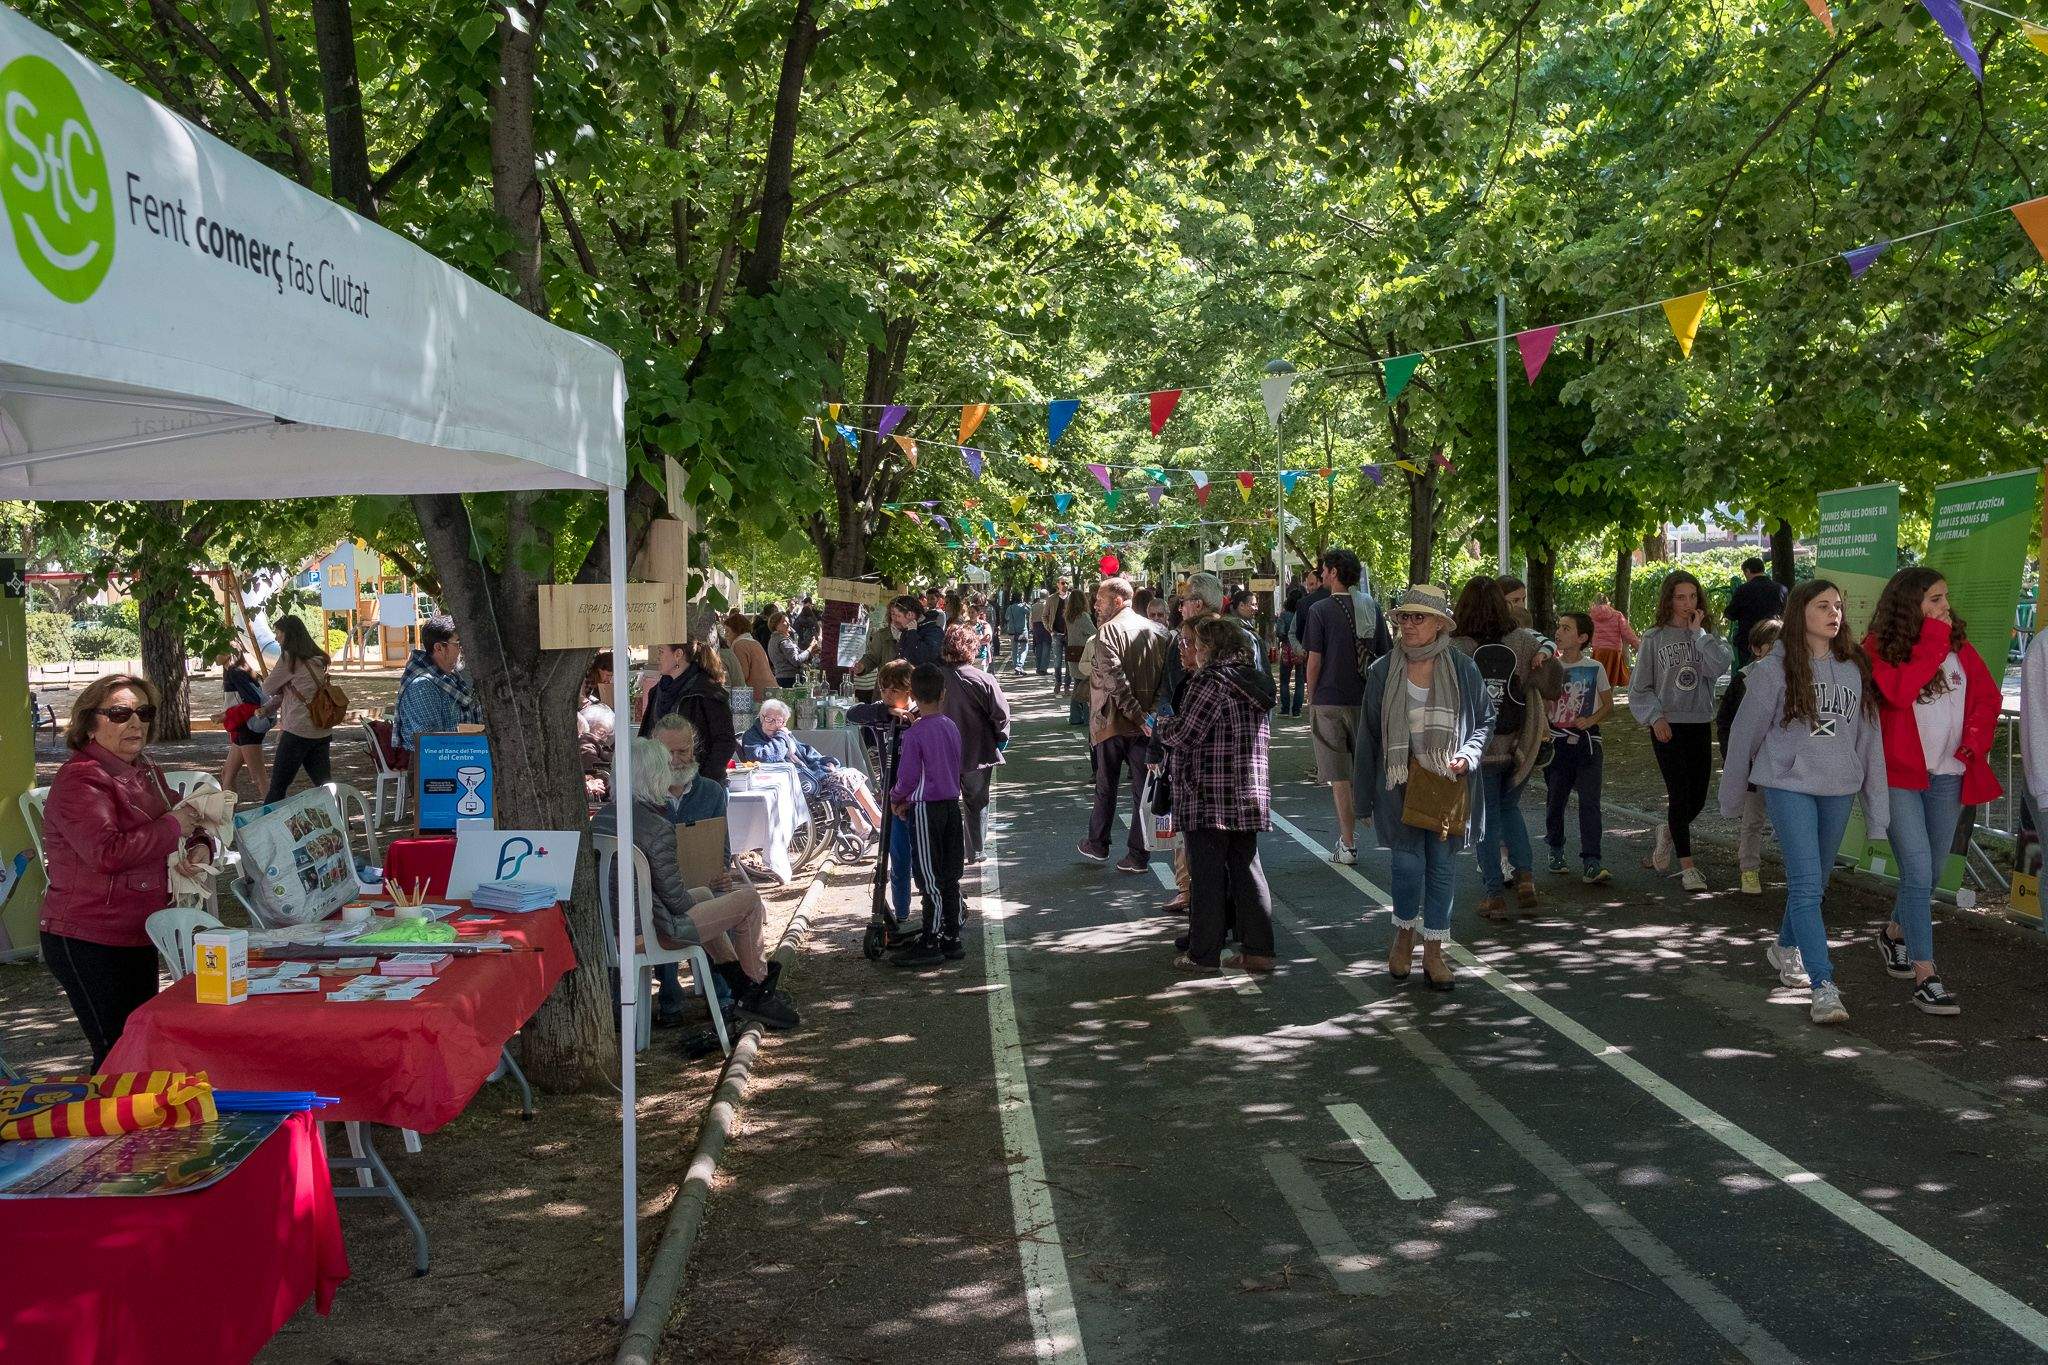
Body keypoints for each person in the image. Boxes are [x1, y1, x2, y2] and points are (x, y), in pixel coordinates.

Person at [1720, 579, 1887, 1026]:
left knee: (1815, 884)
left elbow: (1869, 741)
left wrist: (1877, 810)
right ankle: (1824, 984)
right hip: (1787, 784)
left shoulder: (1853, 667)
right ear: (1800, 613)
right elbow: (1744, 734)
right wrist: (1732, 795)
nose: (1834, 613)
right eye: (1823, 606)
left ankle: (1783, 947)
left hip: (1838, 787)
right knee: (1809, 884)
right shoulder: (1772, 670)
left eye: (1838, 605)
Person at [40, 674, 215, 1067]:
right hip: (89, 935)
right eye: (119, 713)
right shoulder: (80, 778)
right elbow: (106, 853)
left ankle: (132, 1125)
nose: (134, 722)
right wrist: (174, 827)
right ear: (89, 722)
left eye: (143, 712)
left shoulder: (145, 767)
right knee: (117, 1054)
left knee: (138, 1049)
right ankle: (104, 1128)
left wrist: (200, 844)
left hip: (138, 929)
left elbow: (188, 815)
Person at [1863, 567, 2001, 1016]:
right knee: (1919, 871)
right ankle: (1927, 975)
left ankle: (1893, 935)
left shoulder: (1957, 646)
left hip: (1947, 774)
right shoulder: (1879, 648)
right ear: (1910, 605)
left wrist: (1973, 743)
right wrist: (1933, 643)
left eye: (1945, 597)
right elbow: (1899, 693)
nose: (1945, 607)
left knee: (1930, 871)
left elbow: (1987, 698)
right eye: (1935, 599)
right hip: (1899, 777)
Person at [592, 738, 799, 1031]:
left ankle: (741, 988)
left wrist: (708, 903)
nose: (671, 770)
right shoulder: (655, 827)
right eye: (665, 766)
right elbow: (676, 903)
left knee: (704, 894)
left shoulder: (602, 818)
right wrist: (714, 908)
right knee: (749, 900)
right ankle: (757, 992)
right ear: (654, 776)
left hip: (610, 931)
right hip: (648, 933)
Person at [1356, 586, 1494, 991]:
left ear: (1439, 624)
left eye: (1419, 617)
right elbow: (1368, 735)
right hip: (1399, 781)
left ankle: (1434, 952)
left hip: (1447, 782)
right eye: (1404, 617)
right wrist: (1362, 796)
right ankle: (1403, 937)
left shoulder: (1462, 668)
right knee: (1406, 865)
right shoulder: (1383, 669)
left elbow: (1484, 720)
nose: (1410, 625)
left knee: (1442, 868)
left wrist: (1468, 754)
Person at [1160, 615, 1278, 974]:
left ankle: (1203, 953)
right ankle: (1259, 950)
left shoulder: (1209, 682)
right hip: (1248, 790)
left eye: (1192, 643)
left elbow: (1186, 734)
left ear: (1209, 647)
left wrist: (1161, 726)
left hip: (1209, 791)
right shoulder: (1252, 682)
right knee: (1247, 870)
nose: (1187, 649)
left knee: (1208, 876)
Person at [1451, 576, 1564, 917]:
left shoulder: (1456, 648)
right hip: (1518, 744)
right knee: (1510, 810)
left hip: (1477, 747)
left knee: (1484, 821)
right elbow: (1553, 684)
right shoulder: (1522, 641)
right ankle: (1526, 879)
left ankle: (1493, 895)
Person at [1630, 571, 1731, 890]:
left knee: (1698, 798)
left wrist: (1699, 634)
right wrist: (1655, 717)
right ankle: (1687, 866)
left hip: (1699, 721)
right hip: (1667, 725)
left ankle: (1669, 831)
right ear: (1668, 600)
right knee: (1679, 793)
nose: (1688, 603)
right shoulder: (1654, 637)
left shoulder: (1708, 635)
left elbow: (1720, 667)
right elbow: (1639, 687)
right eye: (1680, 597)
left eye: (1692, 597)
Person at [1304, 549, 1392, 866]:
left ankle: (1348, 843)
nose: (1322, 574)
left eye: (1324, 570)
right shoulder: (1372, 607)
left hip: (1329, 699)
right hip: (1366, 698)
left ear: (1335, 572)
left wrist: (1311, 696)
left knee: (1338, 775)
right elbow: (1386, 657)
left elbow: (1315, 659)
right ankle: (1389, 831)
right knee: (1368, 765)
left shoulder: (1320, 611)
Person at [1080, 577, 1171, 873]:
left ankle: (1098, 844)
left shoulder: (1107, 632)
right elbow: (1165, 683)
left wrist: (1138, 715)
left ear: (1118, 601)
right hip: (1144, 726)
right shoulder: (1160, 632)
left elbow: (1114, 682)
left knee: (1106, 786)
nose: (1096, 605)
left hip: (1112, 723)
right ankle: (1138, 855)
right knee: (1140, 792)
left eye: (1100, 600)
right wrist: (1150, 715)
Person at [1150, 574, 1226, 913]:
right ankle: (1198, 893)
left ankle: (1194, 896)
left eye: (1183, 601)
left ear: (1198, 603)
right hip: (1231, 754)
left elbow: (1171, 697)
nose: (1178, 607)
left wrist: (1159, 743)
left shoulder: (1190, 639)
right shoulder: (1242, 636)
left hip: (1195, 749)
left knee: (1191, 829)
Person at [890, 665, 968, 968]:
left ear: (913, 695)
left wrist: (897, 798)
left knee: (928, 876)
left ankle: (930, 938)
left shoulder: (915, 733)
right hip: (951, 804)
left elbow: (908, 777)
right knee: (950, 874)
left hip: (925, 808)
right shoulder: (950, 726)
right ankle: (952, 935)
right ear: (943, 694)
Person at [850, 660, 923, 941]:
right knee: (898, 860)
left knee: (923, 860)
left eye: (895, 690)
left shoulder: (921, 716)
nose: (888, 694)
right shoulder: (881, 714)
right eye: (884, 688)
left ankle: (932, 910)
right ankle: (902, 914)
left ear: (911, 691)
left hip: (918, 799)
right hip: (892, 799)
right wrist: (886, 710)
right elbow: (853, 713)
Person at [739, 697, 883, 838]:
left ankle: (862, 823)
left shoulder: (781, 734)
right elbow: (766, 757)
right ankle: (871, 821)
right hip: (793, 779)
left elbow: (806, 752)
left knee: (850, 774)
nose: (773, 724)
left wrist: (826, 761)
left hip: (809, 773)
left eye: (779, 720)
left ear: (784, 722)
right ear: (761, 716)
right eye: (769, 719)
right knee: (845, 778)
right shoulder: (754, 736)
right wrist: (782, 738)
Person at [1544, 612, 1613, 884]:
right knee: (1555, 800)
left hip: (1587, 743)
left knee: (1589, 801)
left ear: (1582, 637)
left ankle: (1592, 861)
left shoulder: (1595, 667)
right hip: (1557, 742)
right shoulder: (1551, 667)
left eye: (1566, 628)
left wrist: (1591, 720)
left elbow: (1608, 704)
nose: (1559, 632)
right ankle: (1556, 849)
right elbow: (1542, 701)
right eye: (1558, 626)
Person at [1717, 620, 1783, 895]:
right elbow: (1727, 724)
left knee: (1787, 822)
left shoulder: (1795, 678)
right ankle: (1749, 868)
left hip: (1783, 767)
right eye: (1774, 646)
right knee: (1753, 819)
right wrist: (1734, 761)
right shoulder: (1743, 680)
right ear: (1757, 649)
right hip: (1754, 767)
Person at [937, 625, 1010, 864]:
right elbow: (1001, 716)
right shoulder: (984, 679)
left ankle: (946, 851)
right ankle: (975, 850)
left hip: (940, 751)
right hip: (977, 751)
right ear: (972, 649)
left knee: (943, 803)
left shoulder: (934, 678)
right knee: (976, 802)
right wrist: (1000, 740)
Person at [263, 615, 338, 804]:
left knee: (278, 787)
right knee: (324, 784)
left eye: (279, 632)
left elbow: (267, 688)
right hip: (320, 730)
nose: (277, 637)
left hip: (297, 730)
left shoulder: (290, 659)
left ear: (289, 635)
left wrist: (281, 684)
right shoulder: (318, 659)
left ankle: (264, 828)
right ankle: (342, 822)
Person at [639, 641, 738, 784]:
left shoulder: (707, 691)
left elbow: (725, 741)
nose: (657, 658)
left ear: (678, 654)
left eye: (661, 652)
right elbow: (646, 735)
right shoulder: (657, 692)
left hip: (699, 785)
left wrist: (704, 781)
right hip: (662, 786)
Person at [394, 614, 481, 756]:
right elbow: (432, 744)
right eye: (458, 643)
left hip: (454, 760)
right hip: (434, 769)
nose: (462, 649)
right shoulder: (422, 686)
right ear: (439, 648)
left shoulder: (448, 677)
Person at [218, 649, 271, 800]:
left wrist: (225, 715)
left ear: (228, 652)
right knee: (227, 774)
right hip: (242, 728)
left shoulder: (236, 672)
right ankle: (229, 818)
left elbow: (253, 703)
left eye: (217, 649)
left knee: (258, 777)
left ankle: (274, 813)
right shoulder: (235, 671)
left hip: (249, 728)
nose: (214, 654)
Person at [1727, 557, 1789, 669]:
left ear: (1747, 571)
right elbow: (1785, 613)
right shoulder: (1781, 589)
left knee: (1748, 674)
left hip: (1748, 640)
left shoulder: (1743, 589)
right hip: (1774, 638)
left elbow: (1731, 613)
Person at [579, 652, 617, 804]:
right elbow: (581, 700)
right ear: (599, 669)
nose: (608, 679)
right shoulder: (586, 679)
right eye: (607, 674)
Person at [1588, 591, 1639, 688]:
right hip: (1614, 652)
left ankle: (1599, 702)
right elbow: (1627, 633)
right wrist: (1640, 647)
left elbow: (1587, 633)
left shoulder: (1591, 617)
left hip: (1598, 651)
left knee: (1597, 684)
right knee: (1610, 684)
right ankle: (1608, 702)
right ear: (1608, 603)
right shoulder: (1617, 615)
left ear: (1595, 603)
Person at [722, 612, 777, 696]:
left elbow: (742, 675)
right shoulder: (753, 642)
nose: (725, 635)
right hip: (770, 689)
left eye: (727, 631)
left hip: (758, 692)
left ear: (736, 630)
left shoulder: (739, 644)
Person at [765, 611, 814, 688]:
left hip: (781, 678)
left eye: (788, 621)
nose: (788, 624)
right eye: (784, 622)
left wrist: (809, 652)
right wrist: (810, 648)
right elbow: (796, 660)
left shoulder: (773, 639)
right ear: (776, 625)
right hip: (791, 680)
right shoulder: (783, 641)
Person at [1228, 589, 1266, 672]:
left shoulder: (1244, 624)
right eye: (1253, 604)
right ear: (1241, 605)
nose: (1256, 608)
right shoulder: (1233, 628)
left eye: (1256, 605)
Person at [1029, 590, 1055, 675]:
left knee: (1038, 648)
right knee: (1046, 648)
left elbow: (1031, 619)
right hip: (1046, 627)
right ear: (1047, 595)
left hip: (1036, 627)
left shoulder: (1034, 606)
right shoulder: (1048, 605)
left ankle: (1038, 667)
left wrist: (1032, 629)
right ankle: (1043, 668)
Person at [1004, 594, 1031, 673]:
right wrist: (1026, 604)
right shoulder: (1022, 607)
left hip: (1012, 631)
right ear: (1020, 599)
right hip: (1022, 631)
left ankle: (1016, 666)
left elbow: (1006, 617)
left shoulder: (1010, 608)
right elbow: (1029, 612)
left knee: (1014, 650)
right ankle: (1020, 665)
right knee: (1024, 649)